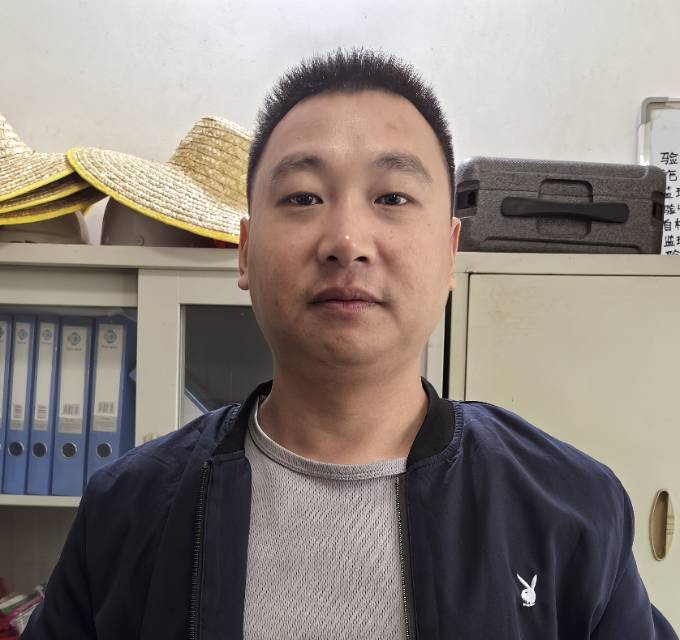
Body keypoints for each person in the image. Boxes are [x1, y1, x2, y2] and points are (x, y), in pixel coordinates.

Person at [24, 48, 677, 640]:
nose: (346, 240)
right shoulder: (127, 510)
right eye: (303, 197)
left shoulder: (571, 508)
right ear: (245, 253)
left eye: (392, 196)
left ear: (450, 254)